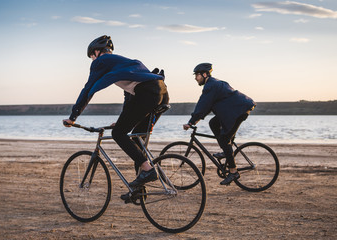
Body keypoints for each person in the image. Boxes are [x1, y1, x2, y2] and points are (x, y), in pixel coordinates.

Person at [63, 35, 169, 188]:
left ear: (97, 52)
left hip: (147, 93)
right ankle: (139, 188)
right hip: (162, 92)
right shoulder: (125, 65)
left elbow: (88, 90)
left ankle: (147, 170)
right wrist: (121, 121)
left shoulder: (101, 61)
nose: (92, 60)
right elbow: (129, 99)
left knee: (118, 134)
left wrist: (73, 117)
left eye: (92, 56)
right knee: (137, 139)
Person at [183, 63, 256, 185]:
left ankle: (233, 172)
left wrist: (191, 122)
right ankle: (226, 151)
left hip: (239, 111)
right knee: (213, 123)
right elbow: (207, 107)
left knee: (224, 138)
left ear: (204, 74)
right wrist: (195, 120)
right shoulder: (215, 84)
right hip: (235, 111)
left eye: (197, 75)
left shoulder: (211, 86)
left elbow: (202, 105)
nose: (195, 78)